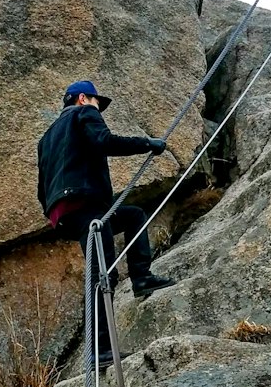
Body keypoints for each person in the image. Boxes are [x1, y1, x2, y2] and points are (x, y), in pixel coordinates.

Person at [37, 79, 176, 363]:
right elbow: (104, 141)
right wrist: (147, 144)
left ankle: (142, 278)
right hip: (85, 200)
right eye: (97, 103)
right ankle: (100, 349)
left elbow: (42, 184)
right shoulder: (84, 113)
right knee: (104, 273)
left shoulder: (46, 137)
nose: (99, 109)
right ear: (83, 98)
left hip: (62, 211)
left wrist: (52, 209)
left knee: (133, 215)